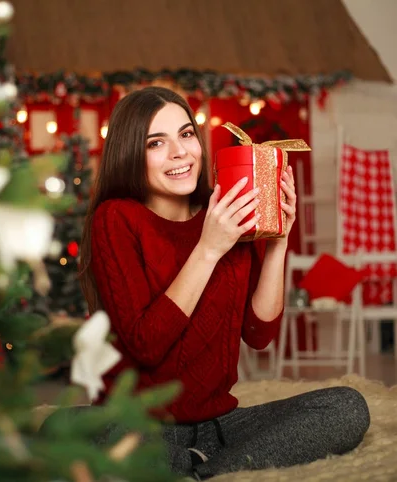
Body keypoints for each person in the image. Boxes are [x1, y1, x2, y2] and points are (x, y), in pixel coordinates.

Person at [72, 86, 370, 479]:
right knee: (75, 432)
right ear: (130, 153)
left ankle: (204, 472)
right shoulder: (115, 219)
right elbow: (147, 343)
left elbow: (259, 333)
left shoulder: (227, 208)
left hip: (219, 426)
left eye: (186, 133)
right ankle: (200, 466)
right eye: (156, 143)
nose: (180, 152)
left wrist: (279, 239)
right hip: (139, 425)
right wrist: (208, 249)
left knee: (347, 406)